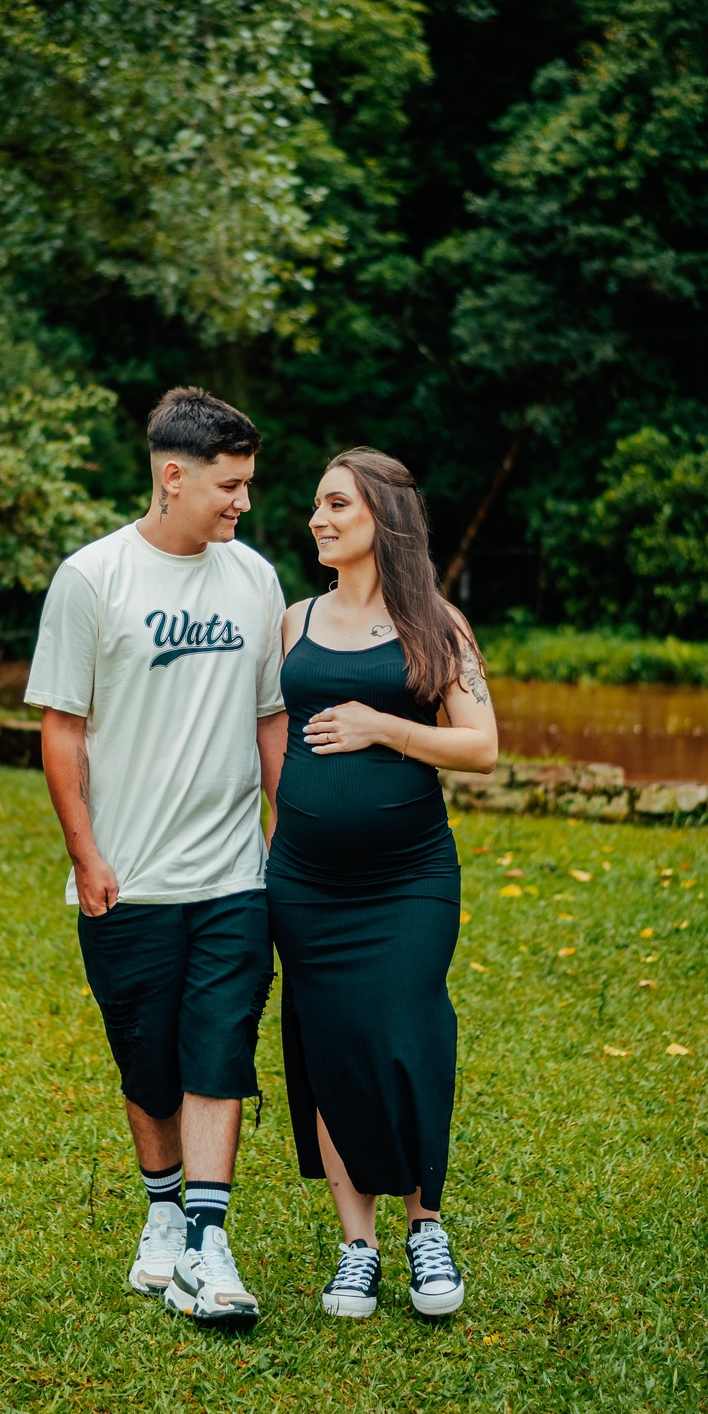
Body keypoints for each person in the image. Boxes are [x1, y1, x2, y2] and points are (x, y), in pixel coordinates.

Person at [25, 387, 287, 1325]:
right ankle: (165, 1216)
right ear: (173, 476)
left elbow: (269, 718)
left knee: (220, 1046)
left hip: (233, 873)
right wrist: (87, 855)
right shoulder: (92, 578)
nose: (243, 502)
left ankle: (209, 1244)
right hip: (127, 878)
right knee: (147, 1061)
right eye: (230, 485)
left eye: (248, 484)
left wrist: (287, 837)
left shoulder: (254, 579)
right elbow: (63, 730)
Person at [267, 447, 498, 1320]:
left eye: (337, 504)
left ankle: (424, 1227)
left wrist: (382, 726)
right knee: (329, 1048)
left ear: (383, 516)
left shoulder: (439, 623)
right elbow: (273, 733)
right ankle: (356, 1246)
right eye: (317, 505)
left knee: (407, 1032)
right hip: (305, 883)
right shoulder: (294, 621)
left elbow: (481, 746)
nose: (318, 519)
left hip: (409, 879)